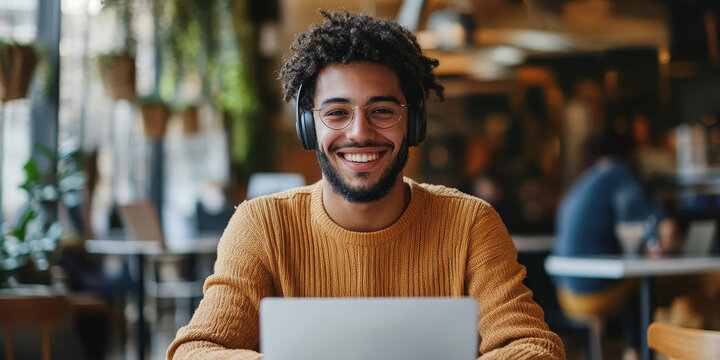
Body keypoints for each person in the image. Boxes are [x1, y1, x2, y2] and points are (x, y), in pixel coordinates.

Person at [168, 11, 564, 360]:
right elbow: (195, 351)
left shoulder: (470, 223)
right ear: (309, 126)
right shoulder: (262, 225)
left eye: (382, 111)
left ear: (413, 123)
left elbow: (534, 347)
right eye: (337, 112)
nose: (360, 132)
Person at [552, 129, 683, 359]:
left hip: (566, 290)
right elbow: (656, 224)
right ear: (629, 152)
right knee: (652, 286)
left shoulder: (584, 178)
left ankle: (633, 349)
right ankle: (638, 351)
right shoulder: (619, 173)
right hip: (592, 289)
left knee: (638, 283)